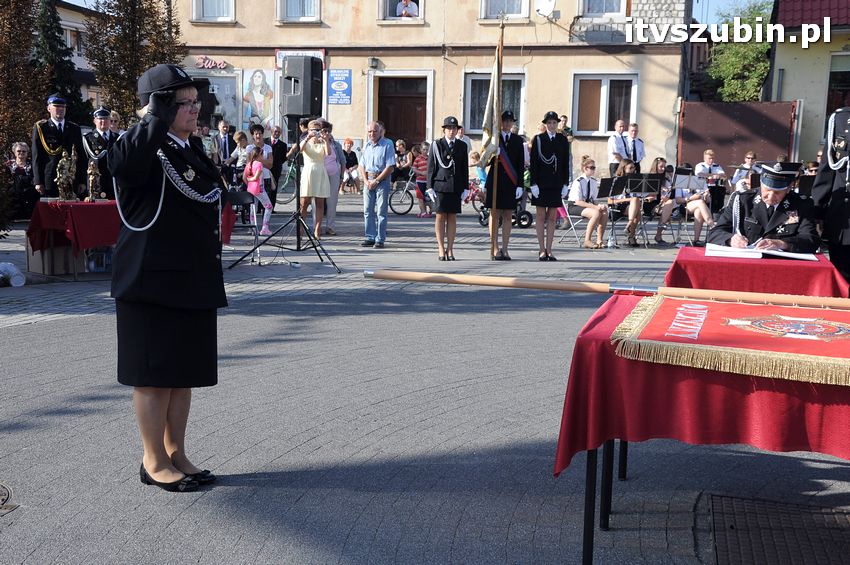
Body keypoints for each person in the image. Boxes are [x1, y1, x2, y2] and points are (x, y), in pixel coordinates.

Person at [108, 63, 227, 493]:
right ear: (158, 107)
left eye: (196, 102)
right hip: (151, 281)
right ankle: (153, 460)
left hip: (189, 277)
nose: (195, 109)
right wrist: (152, 119)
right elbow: (122, 165)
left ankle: (176, 452)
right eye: (184, 103)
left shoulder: (187, 148)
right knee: (154, 377)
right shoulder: (141, 146)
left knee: (182, 374)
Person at [709, 162, 819, 253]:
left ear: (789, 188)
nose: (770, 196)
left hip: (782, 265)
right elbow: (714, 233)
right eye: (767, 190)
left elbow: (811, 239)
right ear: (761, 183)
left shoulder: (801, 204)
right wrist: (730, 239)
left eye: (777, 192)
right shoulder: (742, 200)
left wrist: (783, 244)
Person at [813, 108, 850, 281]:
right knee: (842, 279)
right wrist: (817, 212)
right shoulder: (841, 119)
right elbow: (827, 170)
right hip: (844, 219)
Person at [529, 111, 570, 261]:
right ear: (545, 124)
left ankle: (550, 249)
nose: (552, 125)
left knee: (552, 218)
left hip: (556, 183)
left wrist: (565, 183)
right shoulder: (539, 139)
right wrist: (533, 183)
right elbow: (534, 163)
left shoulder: (562, 139)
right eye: (549, 123)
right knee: (540, 217)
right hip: (541, 183)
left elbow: (565, 163)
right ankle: (541, 249)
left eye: (554, 123)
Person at [485, 110, 525, 260]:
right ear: (500, 122)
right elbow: (485, 160)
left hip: (510, 182)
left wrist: (520, 185)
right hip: (495, 181)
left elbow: (520, 164)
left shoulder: (517, 140)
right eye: (505, 120)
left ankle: (505, 248)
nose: (507, 123)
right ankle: (494, 247)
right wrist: (492, 153)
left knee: (508, 215)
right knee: (494, 214)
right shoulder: (493, 138)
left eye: (510, 121)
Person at [426, 116, 468, 261]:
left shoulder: (462, 146)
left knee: (452, 217)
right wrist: (429, 186)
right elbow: (431, 167)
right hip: (440, 185)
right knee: (440, 216)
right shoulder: (437, 144)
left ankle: (450, 249)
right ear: (444, 130)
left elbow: (463, 168)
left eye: (454, 128)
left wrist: (466, 188)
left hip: (455, 185)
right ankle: (440, 248)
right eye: (449, 128)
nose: (451, 131)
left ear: (457, 130)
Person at [31, 93, 86, 198]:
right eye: (56, 106)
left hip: (71, 178)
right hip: (50, 180)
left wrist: (82, 181)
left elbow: (81, 155)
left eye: (63, 107)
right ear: (49, 108)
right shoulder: (42, 128)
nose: (60, 109)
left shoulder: (74, 128)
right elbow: (36, 156)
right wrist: (38, 181)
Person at [358, 121, 395, 248]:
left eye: (374, 131)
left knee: (381, 211)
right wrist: (365, 181)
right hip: (368, 180)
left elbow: (390, 166)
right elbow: (361, 165)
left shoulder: (387, 144)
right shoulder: (367, 145)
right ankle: (370, 237)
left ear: (380, 132)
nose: (372, 134)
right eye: (369, 131)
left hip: (382, 181)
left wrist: (377, 180)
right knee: (367, 211)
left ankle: (380, 238)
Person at [298, 119, 331, 240]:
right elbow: (300, 149)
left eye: (318, 129)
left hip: (320, 172)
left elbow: (328, 153)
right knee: (304, 203)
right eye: (314, 129)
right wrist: (308, 137)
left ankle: (317, 229)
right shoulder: (305, 142)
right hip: (308, 172)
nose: (316, 132)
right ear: (309, 130)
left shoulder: (322, 142)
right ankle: (301, 228)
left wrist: (326, 140)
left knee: (320, 203)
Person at [566, 156, 608, 249]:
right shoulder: (578, 181)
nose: (594, 170)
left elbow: (595, 199)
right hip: (575, 206)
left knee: (604, 212)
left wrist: (600, 205)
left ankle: (599, 240)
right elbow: (578, 201)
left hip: (587, 205)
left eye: (594, 167)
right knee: (596, 213)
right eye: (592, 168)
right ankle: (587, 240)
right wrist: (595, 207)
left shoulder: (593, 181)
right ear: (585, 168)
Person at [675, 162, 715, 245]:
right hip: (685, 205)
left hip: (700, 206)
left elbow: (708, 200)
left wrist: (706, 196)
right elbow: (678, 200)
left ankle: (696, 240)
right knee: (700, 202)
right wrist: (691, 198)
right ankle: (711, 224)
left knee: (699, 210)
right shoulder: (680, 182)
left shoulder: (699, 181)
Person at [82, 106, 117, 199]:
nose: (103, 121)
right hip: (95, 183)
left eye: (106, 119)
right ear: (95, 121)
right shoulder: (88, 138)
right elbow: (83, 161)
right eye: (100, 119)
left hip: (113, 183)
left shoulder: (117, 138)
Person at [319, 120, 345, 235]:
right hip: (319, 174)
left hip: (334, 174)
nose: (326, 133)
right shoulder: (316, 142)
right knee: (318, 201)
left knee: (332, 202)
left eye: (328, 131)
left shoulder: (336, 144)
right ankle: (317, 227)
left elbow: (343, 161)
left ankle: (330, 226)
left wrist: (341, 177)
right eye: (324, 130)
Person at [611, 159, 642, 246]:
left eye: (634, 168)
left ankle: (629, 226)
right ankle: (631, 236)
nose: (633, 170)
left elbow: (638, 195)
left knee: (636, 205)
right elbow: (611, 201)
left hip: (631, 206)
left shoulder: (634, 180)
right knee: (637, 209)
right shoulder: (616, 180)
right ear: (624, 168)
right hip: (618, 206)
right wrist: (628, 200)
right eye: (630, 168)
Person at [243, 146, 273, 235]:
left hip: (251, 189)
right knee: (269, 207)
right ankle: (265, 228)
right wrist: (251, 179)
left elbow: (244, 177)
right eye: (262, 154)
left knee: (253, 208)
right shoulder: (259, 164)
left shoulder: (249, 164)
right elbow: (256, 177)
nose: (263, 156)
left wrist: (249, 183)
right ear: (259, 155)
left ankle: (253, 228)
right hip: (259, 188)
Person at [8, 142, 37, 219]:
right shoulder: (8, 165)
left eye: (24, 151)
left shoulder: (33, 165)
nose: (21, 153)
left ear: (27, 153)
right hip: (13, 197)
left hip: (29, 196)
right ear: (14, 152)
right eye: (18, 151)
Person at [649, 157, 675, 244]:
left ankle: (661, 227)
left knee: (669, 203)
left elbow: (670, 194)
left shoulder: (666, 178)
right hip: (651, 204)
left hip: (663, 204)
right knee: (667, 209)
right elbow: (646, 194)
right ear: (655, 166)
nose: (663, 169)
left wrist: (667, 195)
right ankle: (659, 233)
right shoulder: (649, 178)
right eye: (661, 167)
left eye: (664, 167)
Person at [265, 124, 288, 210]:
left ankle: (272, 207)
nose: (277, 133)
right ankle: (262, 207)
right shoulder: (265, 141)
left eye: (279, 132)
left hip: (276, 169)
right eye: (275, 131)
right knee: (263, 188)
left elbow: (283, 158)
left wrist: (277, 163)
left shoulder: (283, 145)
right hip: (265, 167)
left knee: (273, 188)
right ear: (271, 132)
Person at [412, 142, 432, 217]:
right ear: (420, 149)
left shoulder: (430, 158)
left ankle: (429, 210)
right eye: (424, 149)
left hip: (428, 181)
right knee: (420, 197)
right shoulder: (418, 159)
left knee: (428, 197)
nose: (425, 151)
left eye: (427, 149)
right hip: (420, 180)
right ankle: (423, 212)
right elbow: (414, 169)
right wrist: (421, 172)